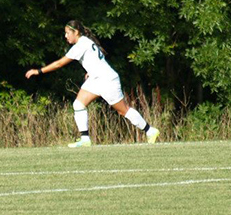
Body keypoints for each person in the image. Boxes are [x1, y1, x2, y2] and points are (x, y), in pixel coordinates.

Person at [25, 20, 160, 147]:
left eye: (68, 33)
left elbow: (59, 63)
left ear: (76, 32)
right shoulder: (85, 41)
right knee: (78, 104)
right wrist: (91, 71)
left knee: (123, 110)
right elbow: (96, 59)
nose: (66, 36)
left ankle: (150, 130)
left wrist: (38, 71)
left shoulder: (81, 44)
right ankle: (85, 139)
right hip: (96, 78)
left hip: (107, 80)